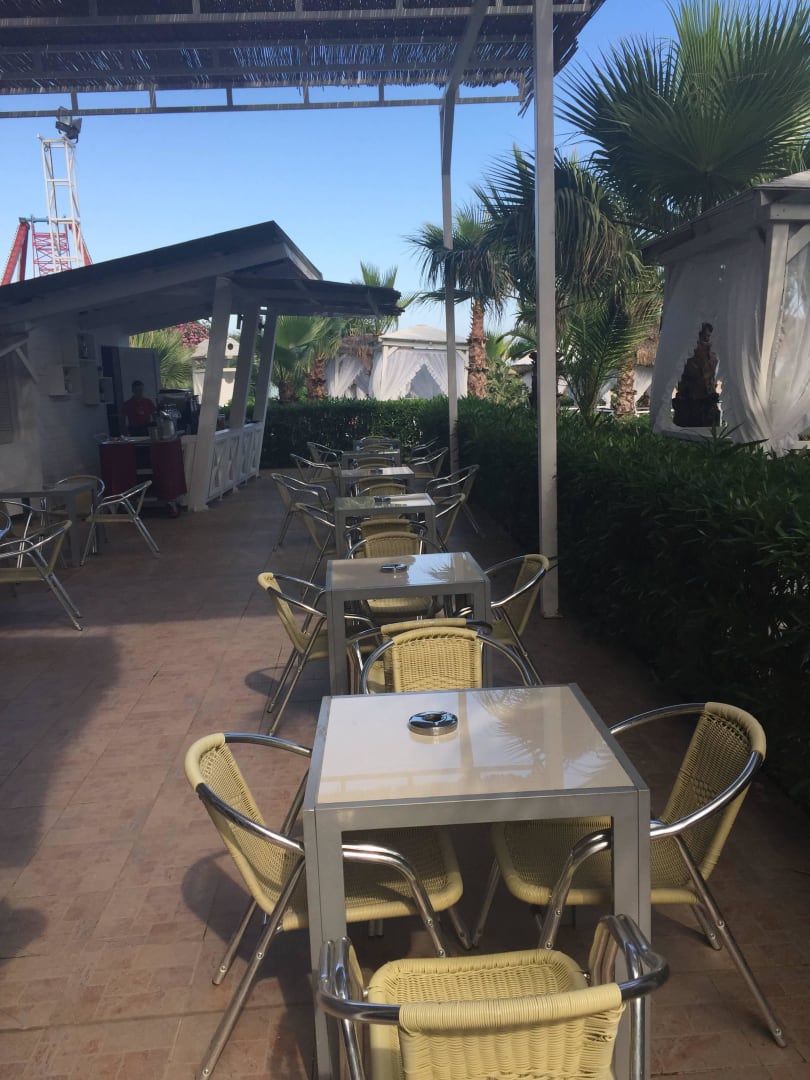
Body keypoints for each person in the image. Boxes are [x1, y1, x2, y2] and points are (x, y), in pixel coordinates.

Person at [672, 322, 721, 428]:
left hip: (708, 407)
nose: (707, 344)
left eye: (708, 339)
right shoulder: (686, 356)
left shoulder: (713, 356)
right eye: (704, 339)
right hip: (688, 408)